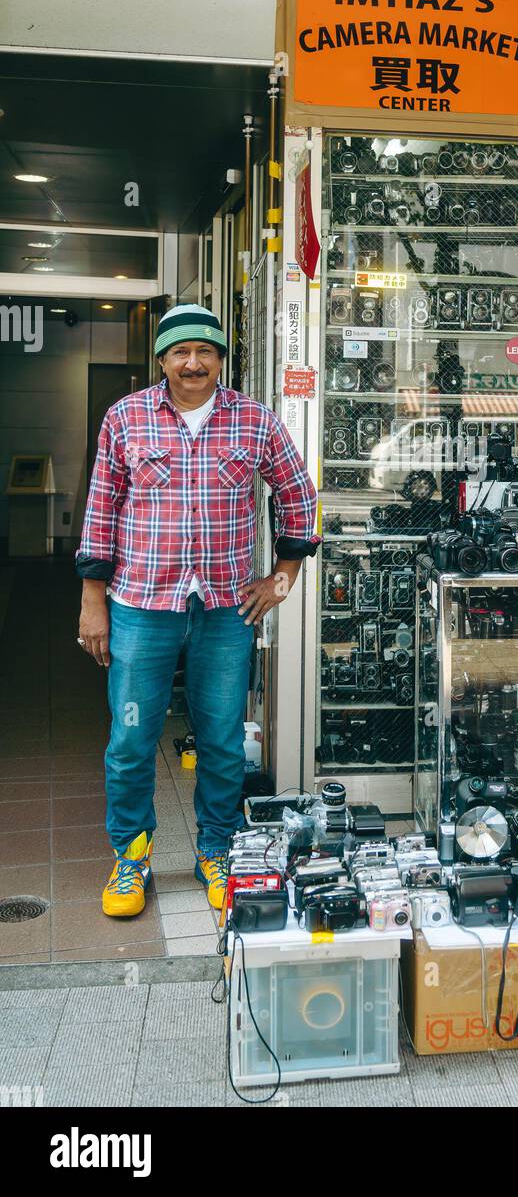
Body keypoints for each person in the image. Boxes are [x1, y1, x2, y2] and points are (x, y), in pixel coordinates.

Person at [76, 303, 318, 918]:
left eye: (205, 352)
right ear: (162, 359)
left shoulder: (254, 420)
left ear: (219, 360)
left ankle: (217, 850)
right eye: (180, 352)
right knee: (131, 739)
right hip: (139, 604)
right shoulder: (126, 418)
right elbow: (101, 509)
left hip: (223, 609)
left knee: (222, 741)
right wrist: (92, 601)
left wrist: (282, 577)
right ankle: (131, 859)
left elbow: (298, 493)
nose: (193, 363)